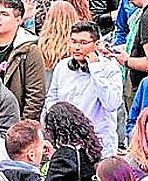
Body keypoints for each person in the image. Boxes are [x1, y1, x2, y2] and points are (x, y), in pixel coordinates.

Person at [45, 20, 123, 157]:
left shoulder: (110, 68)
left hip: (100, 144)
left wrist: (95, 70)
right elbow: (52, 98)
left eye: (83, 43)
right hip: (68, 142)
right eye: (73, 41)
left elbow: (112, 103)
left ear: (97, 44)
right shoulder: (62, 67)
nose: (77, 47)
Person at [0, 0, 45, 120]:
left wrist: (21, 128)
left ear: (18, 20)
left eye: (4, 14)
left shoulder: (30, 50)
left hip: (14, 121)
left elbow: (35, 97)